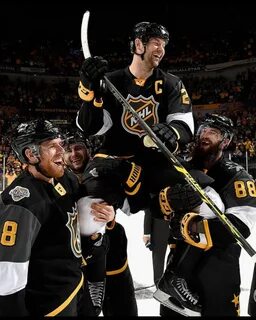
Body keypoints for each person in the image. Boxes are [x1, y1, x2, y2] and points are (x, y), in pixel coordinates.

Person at [76, 20, 194, 219]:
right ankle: (101, 243)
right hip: (116, 163)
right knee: (90, 211)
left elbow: (184, 124)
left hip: (153, 163)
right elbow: (90, 128)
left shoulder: (171, 83)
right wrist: (89, 94)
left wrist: (171, 131)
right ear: (139, 45)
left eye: (164, 44)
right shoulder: (111, 81)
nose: (161, 50)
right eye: (157, 43)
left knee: (194, 190)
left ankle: (171, 233)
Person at [0, 119, 114, 317]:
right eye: (53, 147)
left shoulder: (66, 178)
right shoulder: (22, 201)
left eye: (61, 144)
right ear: (31, 154)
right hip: (49, 303)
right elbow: (8, 274)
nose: (62, 151)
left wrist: (105, 217)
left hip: (75, 285)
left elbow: (79, 221)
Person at [152, 114, 256, 317]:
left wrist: (189, 225)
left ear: (225, 141)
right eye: (203, 131)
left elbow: (241, 227)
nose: (205, 135)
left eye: (213, 133)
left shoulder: (236, 175)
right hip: (178, 267)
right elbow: (154, 208)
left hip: (218, 269)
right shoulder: (182, 168)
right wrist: (166, 199)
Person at [63, 130, 138, 316]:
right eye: (68, 150)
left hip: (112, 253)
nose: (74, 154)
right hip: (74, 259)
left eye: (78, 148)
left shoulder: (104, 170)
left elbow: (132, 206)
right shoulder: (59, 180)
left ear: (88, 150)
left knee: (122, 308)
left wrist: (112, 216)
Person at [143, 208, 170, 287]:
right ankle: (159, 284)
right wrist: (146, 233)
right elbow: (148, 210)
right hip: (160, 226)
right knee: (159, 257)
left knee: (161, 257)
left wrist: (146, 233)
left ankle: (162, 284)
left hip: (169, 225)